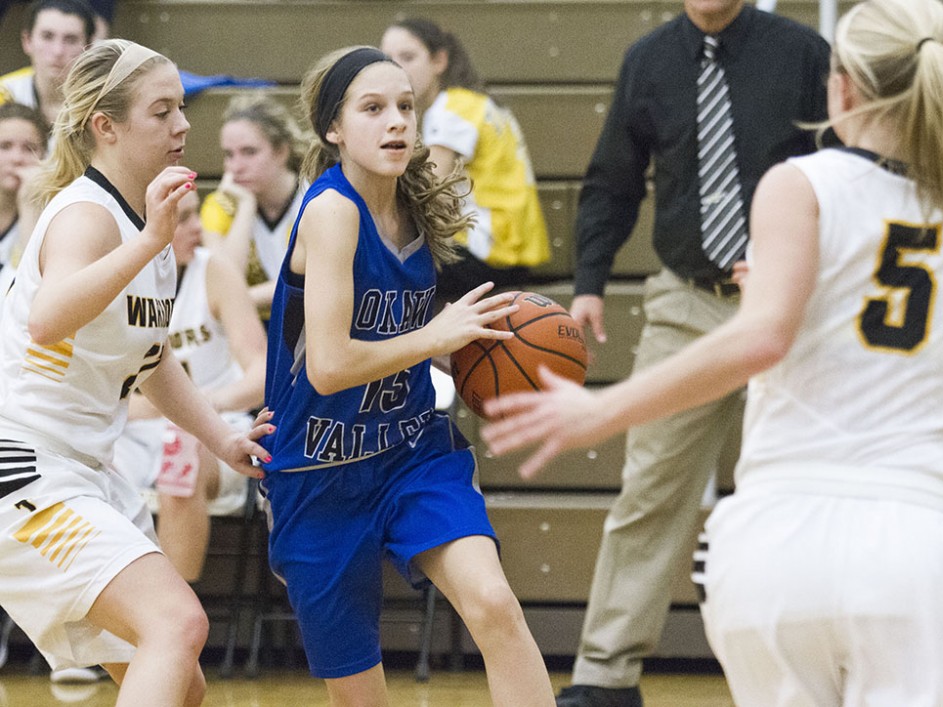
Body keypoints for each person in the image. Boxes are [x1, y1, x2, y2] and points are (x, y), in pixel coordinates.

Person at [482, 0, 943, 704]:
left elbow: (767, 330)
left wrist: (598, 410)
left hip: (778, 543)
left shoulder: (803, 185)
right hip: (913, 542)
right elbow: (854, 311)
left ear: (843, 88)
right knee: (653, 493)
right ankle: (605, 673)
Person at [491, 0, 830, 704]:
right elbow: (612, 180)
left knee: (813, 486)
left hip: (799, 299)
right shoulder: (648, 62)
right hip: (687, 300)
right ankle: (605, 675)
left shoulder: (802, 54)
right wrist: (588, 282)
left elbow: (847, 168)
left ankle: (826, 664)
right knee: (649, 489)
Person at [259, 45, 555, 706]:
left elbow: (415, 330)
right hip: (317, 470)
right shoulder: (332, 211)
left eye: (404, 107)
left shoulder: (415, 203)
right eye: (373, 109)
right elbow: (331, 364)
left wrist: (491, 355)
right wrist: (432, 337)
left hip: (410, 451)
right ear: (333, 128)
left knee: (494, 603)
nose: (395, 122)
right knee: (363, 695)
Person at [0, 39, 272, 706]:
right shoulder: (87, 215)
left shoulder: (142, 220)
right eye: (162, 111)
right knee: (177, 624)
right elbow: (48, 318)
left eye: (181, 108)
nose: (183, 124)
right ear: (106, 126)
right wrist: (152, 239)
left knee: (183, 685)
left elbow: (151, 359)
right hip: (22, 467)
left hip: (87, 470)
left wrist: (220, 438)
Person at [113, 187, 267, 583]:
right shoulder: (112, 280)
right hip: (131, 432)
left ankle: (173, 617)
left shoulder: (214, 271)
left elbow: (263, 372)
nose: (197, 228)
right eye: (182, 218)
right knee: (76, 464)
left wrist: (206, 404)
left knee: (180, 454)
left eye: (196, 214)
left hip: (212, 434)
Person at [380, 18, 550, 303]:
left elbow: (427, 193)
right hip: (508, 252)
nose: (396, 68)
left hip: (485, 253)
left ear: (439, 61)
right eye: (387, 60)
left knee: (372, 264)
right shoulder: (474, 103)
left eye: (407, 57)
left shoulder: (451, 109)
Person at [199, 92, 307, 322]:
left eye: (249, 152)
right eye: (229, 155)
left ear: (281, 151)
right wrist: (246, 208)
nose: (236, 166)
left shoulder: (316, 197)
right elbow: (225, 283)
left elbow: (317, 280)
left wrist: (243, 299)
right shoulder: (220, 205)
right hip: (251, 333)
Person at [0, 0, 96, 131]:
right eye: (47, 37)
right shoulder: (4, 94)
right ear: (27, 40)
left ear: (89, 47)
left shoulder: (101, 102)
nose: (58, 51)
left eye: (71, 40)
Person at [0, 102, 47, 298]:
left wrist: (29, 207)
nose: (17, 158)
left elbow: (31, 294)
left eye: (29, 149)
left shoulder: (50, 216)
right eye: (5, 146)